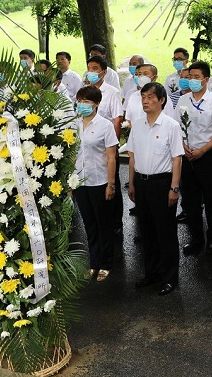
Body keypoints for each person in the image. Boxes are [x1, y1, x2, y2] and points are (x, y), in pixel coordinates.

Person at [127, 82, 183, 295]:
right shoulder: (138, 125)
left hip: (162, 183)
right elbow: (132, 156)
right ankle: (151, 273)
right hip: (141, 183)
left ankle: (169, 277)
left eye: (151, 97)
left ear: (162, 100)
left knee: (165, 232)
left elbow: (177, 159)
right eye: (143, 97)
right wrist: (132, 183)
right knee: (147, 231)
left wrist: (174, 188)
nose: (145, 101)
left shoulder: (171, 126)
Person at [178, 61, 212, 255]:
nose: (192, 80)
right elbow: (176, 127)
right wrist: (183, 146)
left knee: (210, 199)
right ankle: (196, 238)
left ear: (206, 79)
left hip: (206, 156)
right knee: (191, 200)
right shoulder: (183, 100)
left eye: (196, 77)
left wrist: (203, 150)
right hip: (187, 156)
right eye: (190, 77)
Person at [73, 85, 118, 282]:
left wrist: (111, 184)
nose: (82, 105)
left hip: (99, 181)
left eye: (86, 102)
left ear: (96, 104)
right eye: (79, 101)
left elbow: (111, 157)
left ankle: (106, 264)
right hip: (80, 182)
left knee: (103, 225)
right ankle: (94, 262)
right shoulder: (74, 124)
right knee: (89, 224)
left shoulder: (105, 126)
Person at [85, 56, 124, 231]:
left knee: (112, 181)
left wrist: (113, 146)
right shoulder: (85, 92)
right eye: (89, 68)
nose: (91, 72)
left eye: (95, 68)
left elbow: (117, 119)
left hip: (107, 143)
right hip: (91, 144)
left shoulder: (112, 92)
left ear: (104, 72)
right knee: (96, 183)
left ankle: (116, 222)